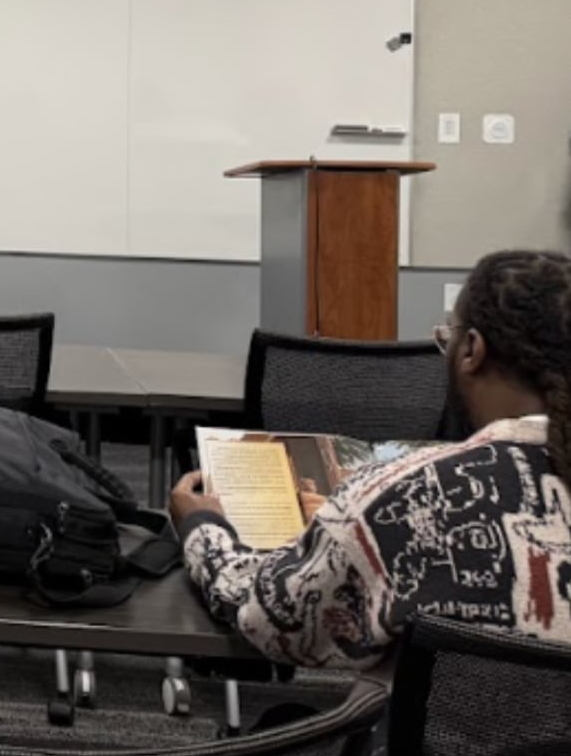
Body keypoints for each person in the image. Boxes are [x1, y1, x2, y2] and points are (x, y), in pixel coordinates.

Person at [172, 248, 571, 668]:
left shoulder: (407, 501)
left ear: (471, 349)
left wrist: (202, 528)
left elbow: (268, 617)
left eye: (447, 337)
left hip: (460, 735)